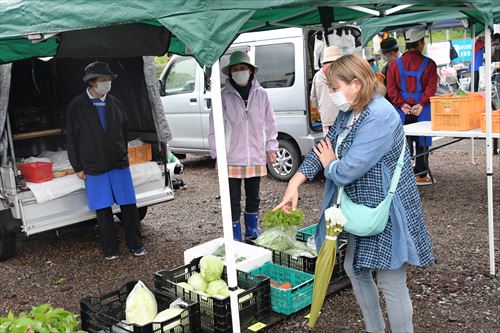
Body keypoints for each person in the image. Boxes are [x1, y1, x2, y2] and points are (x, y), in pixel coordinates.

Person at [275, 54, 434, 333]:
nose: (333, 95)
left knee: (390, 281)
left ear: (356, 84)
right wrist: (295, 182)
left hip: (385, 209)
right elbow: (326, 146)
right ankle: (374, 329)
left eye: (335, 88)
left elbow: (348, 169)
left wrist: (331, 163)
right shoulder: (351, 110)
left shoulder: (380, 115)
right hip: (357, 206)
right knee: (355, 269)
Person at [66, 61, 145, 260]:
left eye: (109, 80)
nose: (107, 83)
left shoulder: (115, 103)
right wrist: (77, 166)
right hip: (93, 166)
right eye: (103, 80)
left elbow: (124, 131)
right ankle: (110, 250)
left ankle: (136, 245)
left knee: (128, 206)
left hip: (118, 163)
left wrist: (122, 152)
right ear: (92, 82)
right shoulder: (77, 106)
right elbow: (71, 138)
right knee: (103, 210)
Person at [208, 51, 278, 241]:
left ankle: (252, 231)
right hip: (231, 157)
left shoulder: (261, 94)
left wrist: (271, 147)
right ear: (230, 73)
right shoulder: (223, 97)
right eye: (236, 69)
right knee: (232, 200)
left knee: (254, 197)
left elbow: (270, 123)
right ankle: (235, 235)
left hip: (255, 154)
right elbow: (215, 127)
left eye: (243, 68)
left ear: (251, 71)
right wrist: (217, 154)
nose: (240, 72)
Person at [386, 29, 438, 186]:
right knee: (423, 140)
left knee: (403, 141)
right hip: (422, 109)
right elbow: (431, 87)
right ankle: (421, 175)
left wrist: (402, 104)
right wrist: (421, 104)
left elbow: (391, 88)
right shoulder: (429, 64)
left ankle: (404, 176)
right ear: (420, 43)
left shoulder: (394, 65)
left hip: (402, 110)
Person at [311, 46, 342, 136]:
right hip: (342, 117)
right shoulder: (339, 73)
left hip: (326, 118)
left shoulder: (317, 76)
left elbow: (313, 98)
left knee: (329, 144)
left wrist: (320, 110)